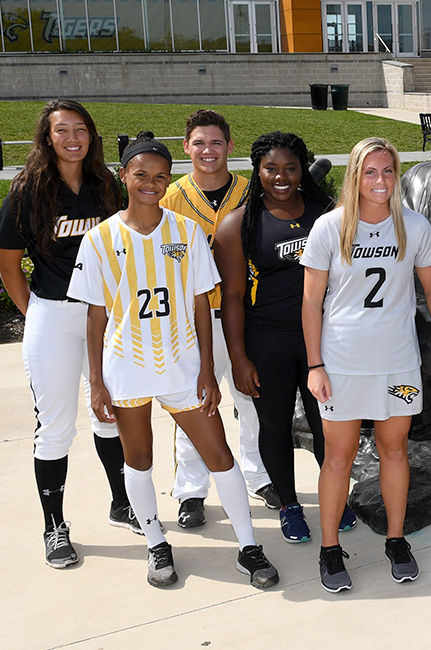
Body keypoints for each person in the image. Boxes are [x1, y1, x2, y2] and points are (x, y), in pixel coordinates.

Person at [68, 135, 279, 589]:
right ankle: (155, 543)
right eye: (140, 174)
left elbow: (203, 303)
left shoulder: (184, 232)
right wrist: (99, 383)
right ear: (123, 175)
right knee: (138, 460)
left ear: (169, 180)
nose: (150, 183)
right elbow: (96, 315)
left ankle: (248, 546)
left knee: (219, 455)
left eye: (160, 176)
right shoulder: (100, 238)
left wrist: (206, 366)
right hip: (126, 366)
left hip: (182, 364)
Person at [301, 137, 431, 592]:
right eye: (371, 172)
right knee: (339, 456)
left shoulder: (413, 226)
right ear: (355, 175)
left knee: (395, 450)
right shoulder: (329, 228)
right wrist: (315, 365)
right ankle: (330, 549)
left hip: (397, 364)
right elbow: (310, 302)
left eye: (389, 171)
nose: (381, 181)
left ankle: (396, 540)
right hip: (343, 364)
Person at [0, 100, 138, 569]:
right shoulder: (28, 189)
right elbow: (8, 263)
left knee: (112, 413)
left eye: (81, 129)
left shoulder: (106, 187)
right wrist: (38, 312)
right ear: (47, 137)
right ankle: (54, 525)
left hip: (106, 316)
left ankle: (122, 503)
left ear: (92, 135)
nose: (73, 138)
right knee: (56, 426)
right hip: (54, 315)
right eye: (63, 130)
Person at [214, 132, 352, 545]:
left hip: (324, 340)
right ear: (257, 170)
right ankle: (290, 504)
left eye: (291, 168)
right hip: (268, 339)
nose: (281, 177)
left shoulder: (326, 214)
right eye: (271, 168)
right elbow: (233, 297)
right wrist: (238, 357)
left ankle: (335, 498)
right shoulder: (239, 223)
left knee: (328, 423)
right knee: (274, 425)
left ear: (302, 168)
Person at [160, 110, 276, 529]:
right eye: (199, 143)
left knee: (251, 399)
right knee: (195, 403)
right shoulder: (170, 196)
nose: (207, 151)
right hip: (192, 319)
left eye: (215, 143)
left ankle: (259, 475)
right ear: (186, 147)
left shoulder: (253, 192)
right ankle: (191, 489)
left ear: (229, 147)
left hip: (245, 312)